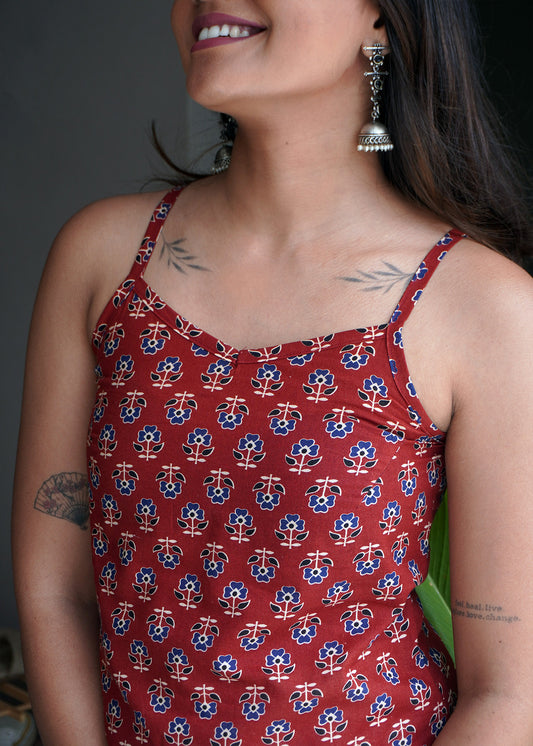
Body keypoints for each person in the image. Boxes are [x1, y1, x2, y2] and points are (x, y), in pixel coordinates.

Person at [12, 0, 533, 744]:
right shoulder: (102, 260)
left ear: (381, 20)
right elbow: (54, 590)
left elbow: (508, 693)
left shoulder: (483, 306)